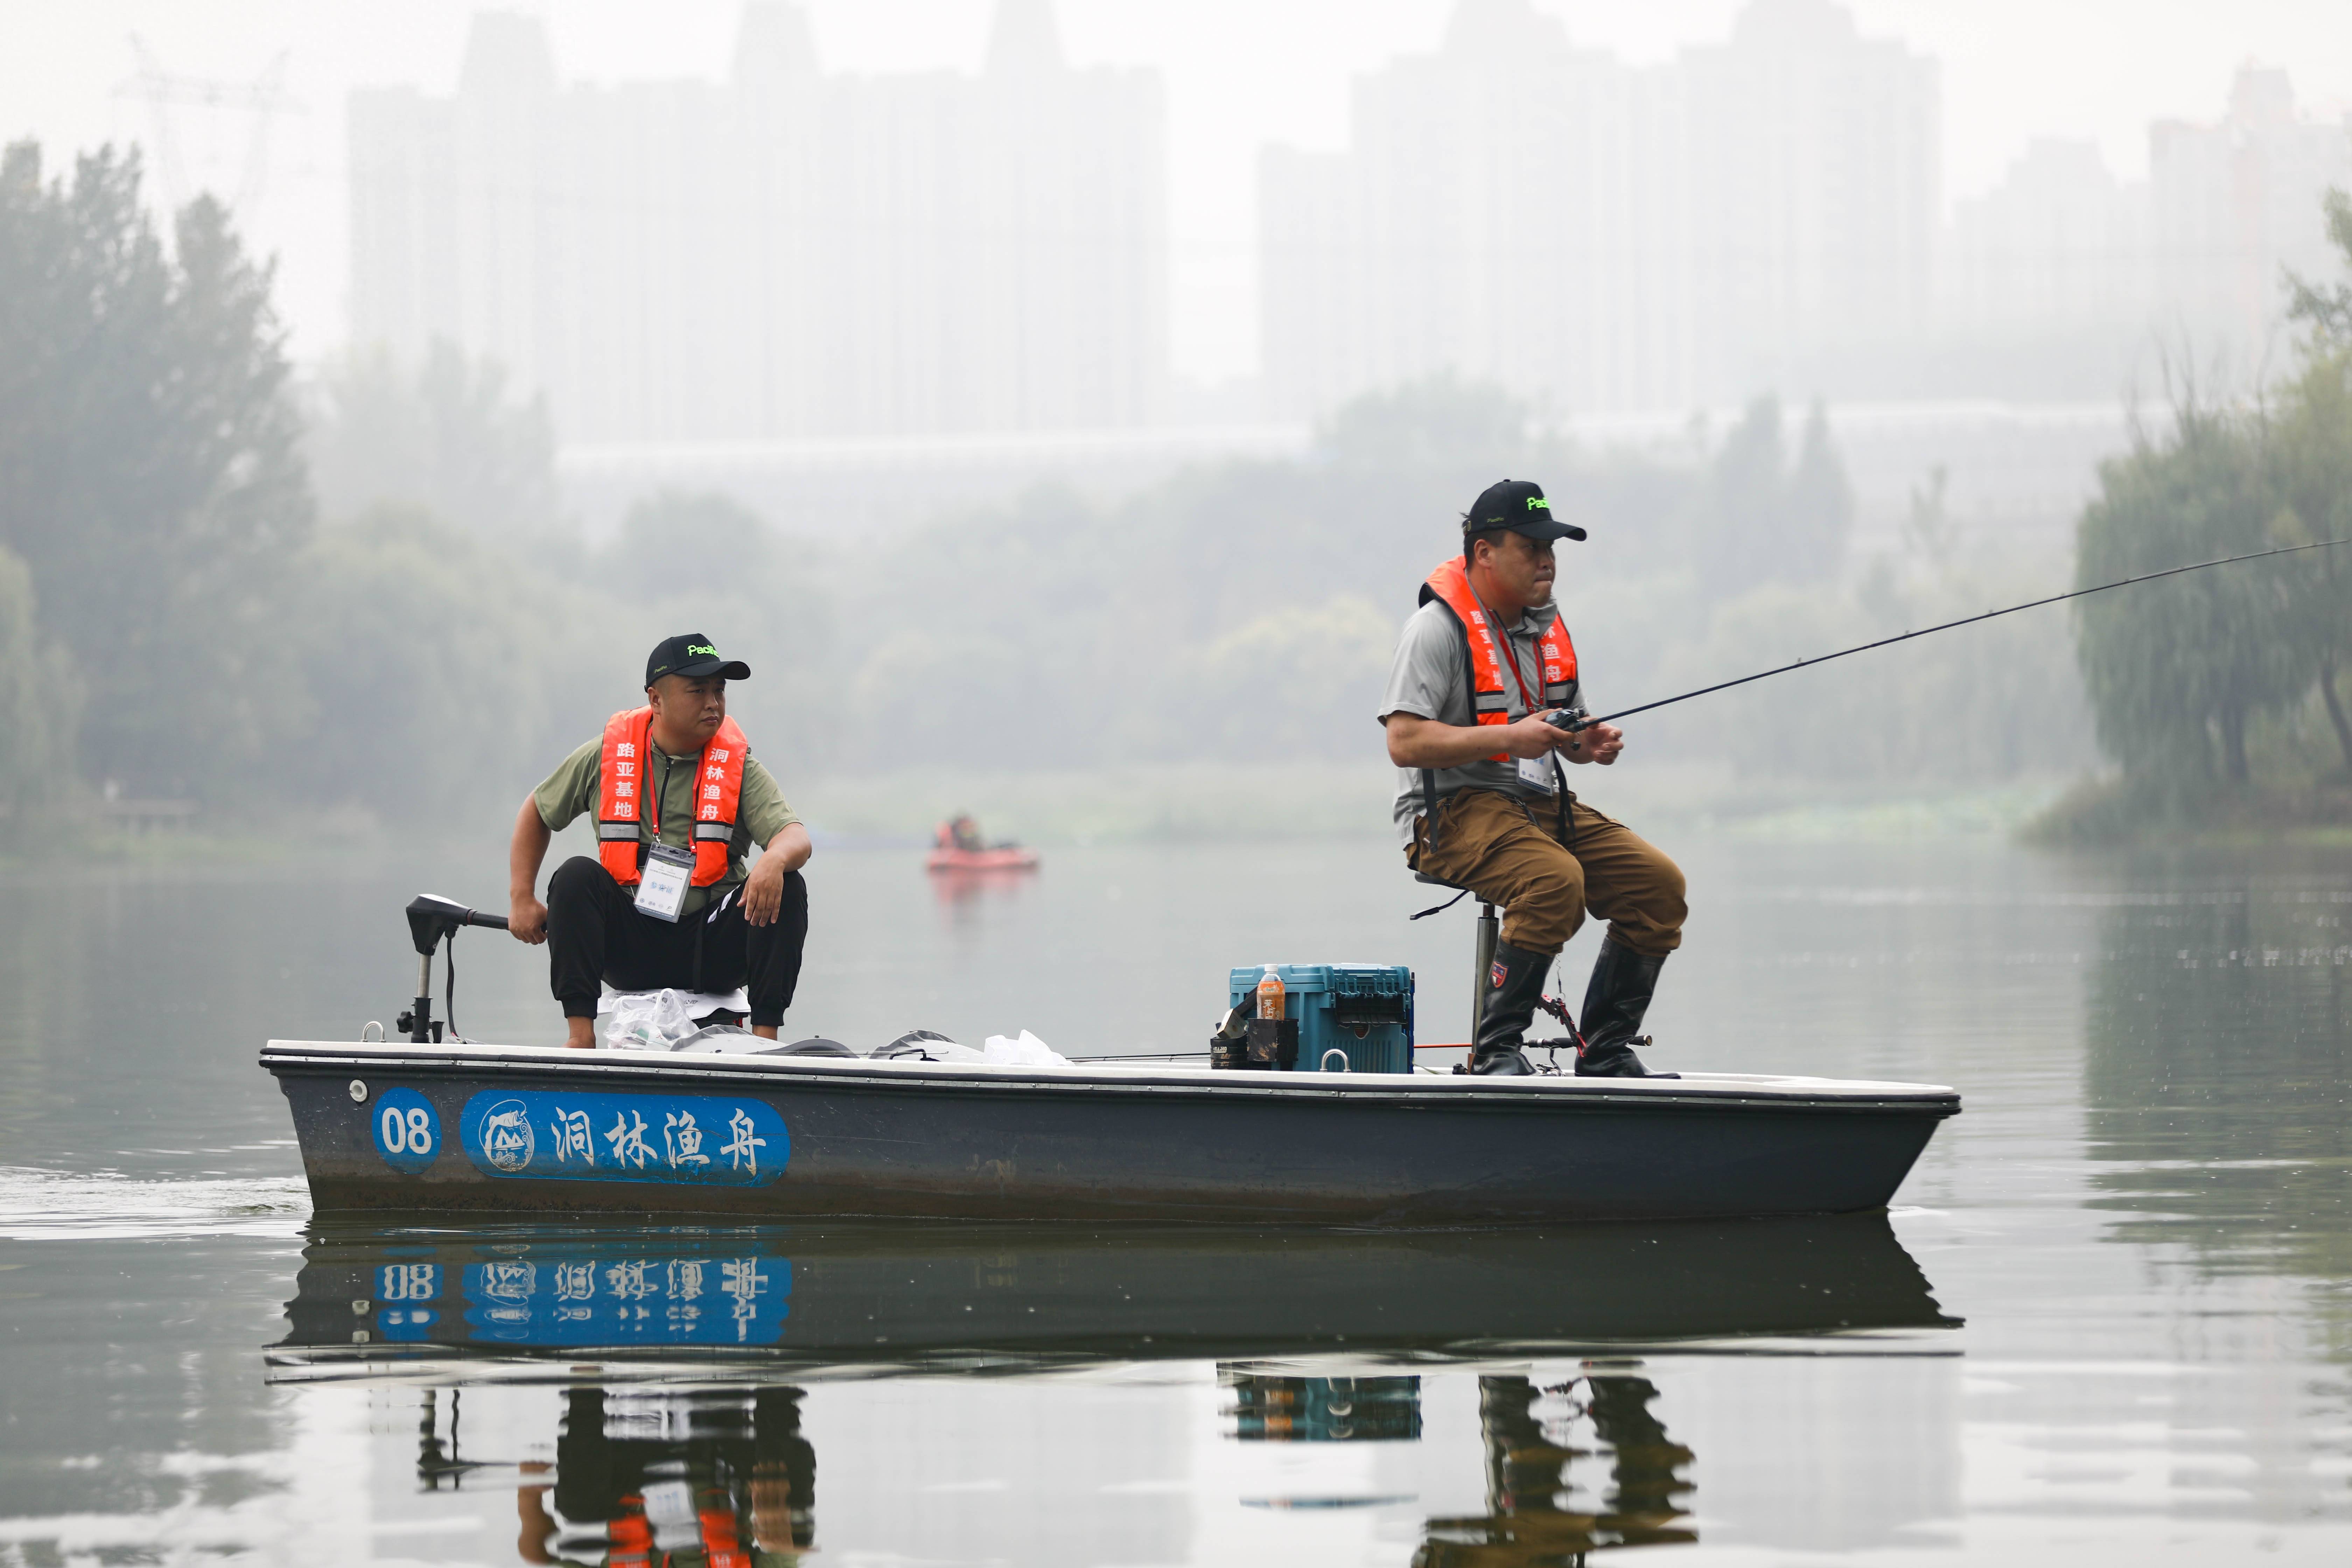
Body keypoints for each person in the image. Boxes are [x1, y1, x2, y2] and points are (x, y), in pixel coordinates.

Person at [1379, 480, 1686, 1076]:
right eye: (1531, 546)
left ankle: (1605, 1051)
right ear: (1484, 553)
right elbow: (1404, 741)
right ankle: (1497, 1053)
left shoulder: (1543, 629)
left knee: (1659, 888)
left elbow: (1563, 733)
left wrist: (1586, 742)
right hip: (1447, 813)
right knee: (1554, 882)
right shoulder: (1436, 629)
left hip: (1535, 804)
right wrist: (1510, 737)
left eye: (1553, 547)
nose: (1548, 559)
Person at [509, 634, 813, 1048]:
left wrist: (774, 860)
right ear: (656, 699)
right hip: (632, 945)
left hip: (711, 945)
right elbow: (537, 811)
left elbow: (795, 837)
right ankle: (580, 1038)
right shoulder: (605, 756)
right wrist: (521, 898)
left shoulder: (740, 766)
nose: (714, 703)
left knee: (788, 883)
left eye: (720, 691)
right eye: (698, 690)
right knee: (575, 876)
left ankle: (765, 1042)